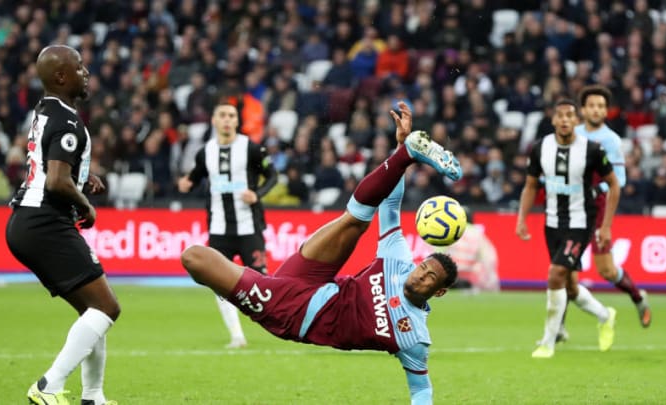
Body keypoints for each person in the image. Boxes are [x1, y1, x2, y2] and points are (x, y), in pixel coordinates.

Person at [181, 101, 462, 404]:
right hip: (315, 278)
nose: (420, 275)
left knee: (194, 257)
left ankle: (241, 284)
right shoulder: (399, 263)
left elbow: (421, 388)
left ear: (439, 292)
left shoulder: (414, 338)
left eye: (429, 277)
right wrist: (400, 153)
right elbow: (390, 207)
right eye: (423, 267)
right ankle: (411, 152)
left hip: (292, 310)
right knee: (354, 221)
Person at [5, 45, 120, 405]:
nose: (86, 73)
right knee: (107, 308)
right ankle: (48, 386)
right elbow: (56, 181)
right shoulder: (69, 121)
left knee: (94, 310)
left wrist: (83, 177)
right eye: (80, 67)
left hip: (28, 219)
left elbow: (52, 167)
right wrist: (85, 203)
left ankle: (93, 397)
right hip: (45, 222)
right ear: (60, 77)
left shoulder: (46, 111)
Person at [516, 99, 619, 359]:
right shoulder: (540, 148)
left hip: (581, 223)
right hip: (552, 224)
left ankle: (548, 342)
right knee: (570, 287)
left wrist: (606, 226)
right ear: (553, 120)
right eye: (559, 115)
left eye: (569, 115)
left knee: (555, 274)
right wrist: (521, 218)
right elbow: (530, 186)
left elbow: (614, 184)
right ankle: (606, 315)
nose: (564, 120)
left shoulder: (592, 150)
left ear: (577, 120)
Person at [177, 102, 277, 348]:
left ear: (236, 121)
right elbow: (195, 176)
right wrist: (186, 182)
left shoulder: (251, 149)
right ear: (214, 120)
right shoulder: (206, 152)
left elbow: (273, 175)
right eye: (222, 115)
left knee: (261, 280)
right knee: (219, 282)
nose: (227, 120)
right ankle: (237, 336)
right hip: (219, 230)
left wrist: (258, 193)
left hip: (248, 227)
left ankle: (280, 324)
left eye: (231, 116)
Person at [574, 85, 651, 328]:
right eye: (591, 105)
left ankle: (638, 297)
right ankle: (559, 328)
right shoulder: (571, 134)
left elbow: (621, 179)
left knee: (606, 271)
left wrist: (597, 190)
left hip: (596, 211)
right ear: (583, 110)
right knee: (562, 272)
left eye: (600, 106)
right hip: (571, 209)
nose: (596, 110)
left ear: (606, 111)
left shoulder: (611, 140)